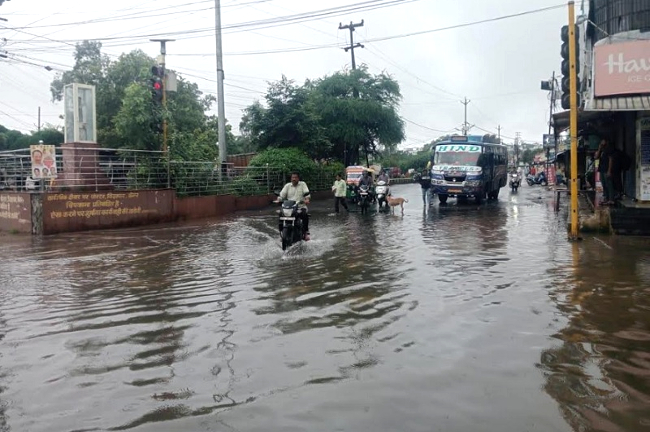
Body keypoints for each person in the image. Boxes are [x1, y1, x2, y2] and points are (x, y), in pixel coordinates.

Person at [277, 172, 311, 240]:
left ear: (298, 178)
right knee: (280, 214)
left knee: (304, 214)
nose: (294, 179)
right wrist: (279, 199)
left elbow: (306, 193)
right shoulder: (287, 186)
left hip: (300, 206)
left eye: (295, 177)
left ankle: (305, 232)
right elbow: (282, 194)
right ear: (291, 178)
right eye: (293, 177)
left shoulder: (302, 184)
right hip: (290, 207)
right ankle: (282, 231)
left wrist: (307, 199)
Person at [595, 139, 614, 205]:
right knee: (604, 184)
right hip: (602, 169)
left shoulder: (609, 149)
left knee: (608, 184)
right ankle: (606, 198)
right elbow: (596, 157)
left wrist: (609, 170)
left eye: (603, 141)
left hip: (606, 169)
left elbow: (610, 160)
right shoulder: (602, 150)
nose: (602, 142)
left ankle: (611, 199)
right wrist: (599, 148)